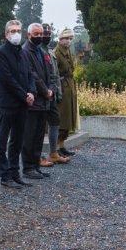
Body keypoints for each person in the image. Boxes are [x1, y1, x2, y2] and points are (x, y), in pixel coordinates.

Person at [0, 20, 35, 189]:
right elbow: (6, 79)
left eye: (18, 30)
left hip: (22, 104)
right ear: (6, 34)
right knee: (2, 141)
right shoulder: (0, 53)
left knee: (17, 140)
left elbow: (30, 74)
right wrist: (24, 95)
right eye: (12, 31)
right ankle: (5, 176)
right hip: (7, 104)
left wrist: (32, 92)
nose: (16, 33)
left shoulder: (23, 52)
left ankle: (15, 172)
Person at [21, 23, 55, 180]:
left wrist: (51, 89)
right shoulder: (25, 51)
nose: (39, 37)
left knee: (40, 135)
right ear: (29, 35)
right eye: (36, 34)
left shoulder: (42, 52)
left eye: (41, 34)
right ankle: (28, 167)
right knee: (30, 135)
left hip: (44, 101)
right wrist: (44, 90)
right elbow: (32, 74)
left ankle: (36, 164)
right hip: (34, 100)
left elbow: (50, 72)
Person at [40, 23, 69, 166]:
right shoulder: (37, 51)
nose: (47, 36)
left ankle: (53, 153)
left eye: (49, 33)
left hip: (53, 93)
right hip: (41, 94)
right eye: (44, 33)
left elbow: (55, 74)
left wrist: (57, 91)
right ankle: (38, 155)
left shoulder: (50, 52)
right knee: (39, 126)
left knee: (55, 121)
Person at [55, 28, 79, 157]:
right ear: (60, 39)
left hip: (70, 86)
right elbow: (55, 72)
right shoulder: (56, 53)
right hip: (62, 87)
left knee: (69, 119)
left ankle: (62, 145)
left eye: (70, 38)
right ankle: (57, 147)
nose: (68, 41)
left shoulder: (68, 51)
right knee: (62, 119)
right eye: (66, 38)